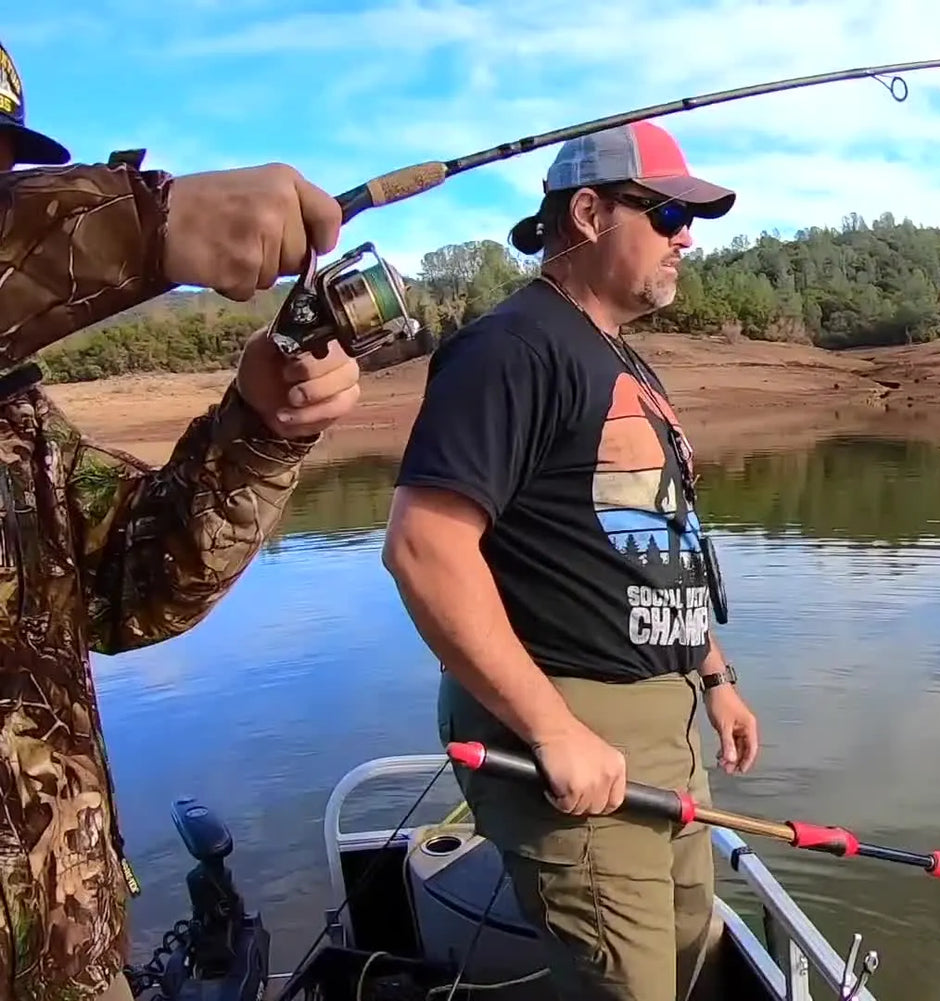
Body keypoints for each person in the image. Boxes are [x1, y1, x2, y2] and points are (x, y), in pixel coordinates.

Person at [0, 39, 363, 1001]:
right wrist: (147, 225)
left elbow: (133, 587)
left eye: (3, 175)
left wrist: (259, 426)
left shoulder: (15, 419)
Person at [382, 120, 761, 1001]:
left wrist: (715, 678)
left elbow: (664, 537)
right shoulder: (511, 347)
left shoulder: (621, 360)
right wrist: (555, 731)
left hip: (666, 730)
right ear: (589, 213)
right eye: (666, 212)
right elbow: (424, 547)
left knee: (688, 963)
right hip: (577, 727)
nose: (685, 237)